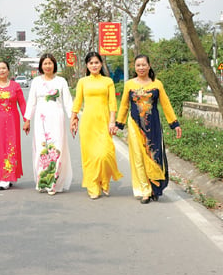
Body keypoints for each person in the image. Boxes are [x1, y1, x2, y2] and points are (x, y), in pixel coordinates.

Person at [116, 55, 182, 204]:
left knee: (154, 156)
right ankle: (144, 190)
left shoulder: (157, 84)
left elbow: (166, 105)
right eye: (138, 65)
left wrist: (175, 124)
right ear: (134, 67)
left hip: (153, 126)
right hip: (135, 125)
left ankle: (155, 188)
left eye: (143, 65)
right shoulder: (129, 85)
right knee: (138, 157)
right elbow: (124, 105)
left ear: (149, 66)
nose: (141, 68)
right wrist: (118, 124)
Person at [70, 52, 123, 199]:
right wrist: (73, 118)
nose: (94, 65)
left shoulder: (108, 81)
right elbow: (78, 101)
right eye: (91, 63)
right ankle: (93, 185)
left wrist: (113, 121)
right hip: (88, 123)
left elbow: (113, 103)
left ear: (101, 64)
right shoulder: (82, 81)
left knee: (106, 154)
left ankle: (104, 180)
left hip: (104, 122)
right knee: (91, 157)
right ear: (87, 65)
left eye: (96, 62)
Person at [23, 53, 74, 195]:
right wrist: (27, 120)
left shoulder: (61, 81)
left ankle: (54, 183)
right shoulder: (36, 82)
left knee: (56, 149)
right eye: (45, 63)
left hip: (57, 118)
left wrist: (73, 118)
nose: (47, 66)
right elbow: (31, 102)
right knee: (42, 149)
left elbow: (68, 102)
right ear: (41, 66)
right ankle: (42, 181)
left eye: (50, 63)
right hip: (40, 119)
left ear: (54, 65)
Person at [0, 59, 26, 190]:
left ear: (8, 70)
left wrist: (26, 120)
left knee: (11, 147)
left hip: (12, 121)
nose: (1, 70)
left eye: (3, 68)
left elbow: (22, 103)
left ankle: (9, 176)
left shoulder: (15, 86)